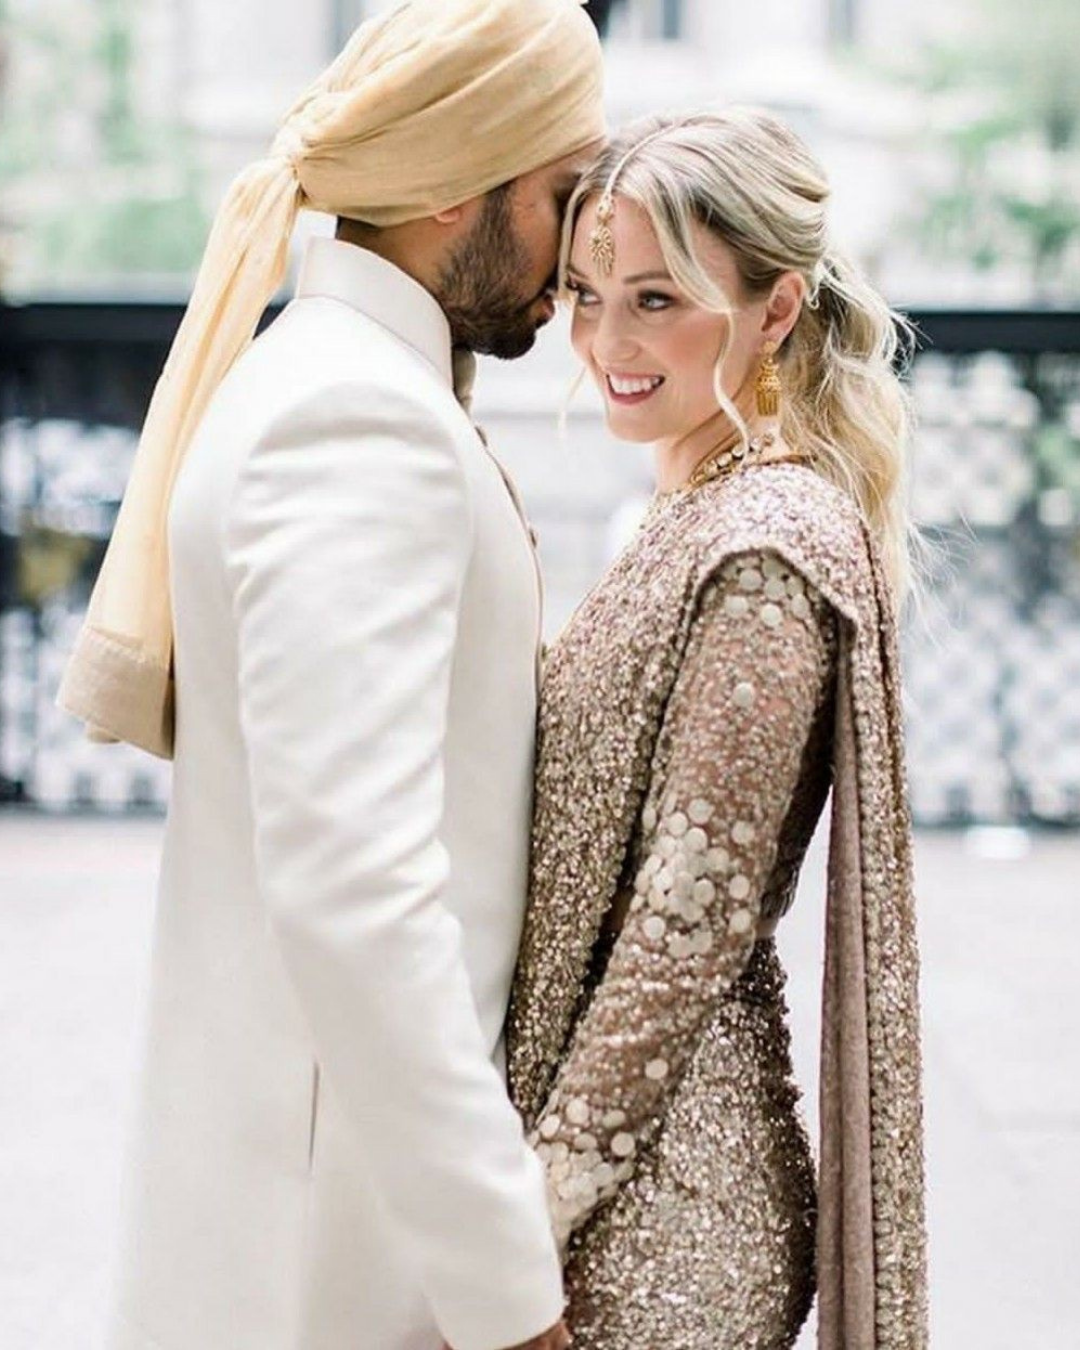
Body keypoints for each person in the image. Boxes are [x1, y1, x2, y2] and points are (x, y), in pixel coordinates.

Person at [57, 3, 605, 1348]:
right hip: (334, 1240)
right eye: (563, 196)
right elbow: (356, 886)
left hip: (322, 1197)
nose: (584, 249)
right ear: (452, 186)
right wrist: (504, 1283)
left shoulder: (338, 381)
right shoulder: (358, 419)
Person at [507, 108, 927, 1349]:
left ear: (776, 308)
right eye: (587, 297)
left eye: (656, 300)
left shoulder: (764, 552)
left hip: (667, 1221)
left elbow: (687, 922)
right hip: (621, 1176)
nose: (607, 343)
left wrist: (526, 1221)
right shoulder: (692, 511)